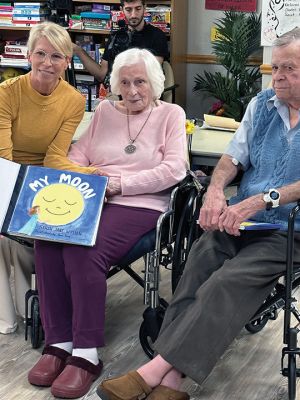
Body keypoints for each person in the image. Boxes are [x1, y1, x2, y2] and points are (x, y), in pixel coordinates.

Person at [96, 27, 300, 400]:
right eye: (275, 67)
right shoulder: (262, 105)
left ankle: (154, 371)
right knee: (199, 263)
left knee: (228, 280)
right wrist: (216, 191)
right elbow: (231, 158)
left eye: (289, 68)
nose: (277, 76)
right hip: (242, 220)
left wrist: (260, 201)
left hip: (290, 229)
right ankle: (172, 384)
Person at [27, 47, 188, 399]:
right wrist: (89, 177)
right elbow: (76, 155)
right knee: (47, 236)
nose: (132, 91)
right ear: (114, 85)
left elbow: (175, 169)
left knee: (85, 248)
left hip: (142, 203)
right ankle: (59, 341)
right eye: (125, 82)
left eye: (140, 82)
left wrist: (120, 184)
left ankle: (86, 353)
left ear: (155, 83)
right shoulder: (103, 112)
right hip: (92, 197)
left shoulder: (171, 114)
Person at [0, 21, 88, 335]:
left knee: (27, 234)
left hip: (42, 177)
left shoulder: (74, 101)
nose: (47, 63)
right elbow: (4, 155)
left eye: (56, 56)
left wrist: (91, 174)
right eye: (40, 54)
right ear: (29, 55)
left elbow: (55, 157)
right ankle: (6, 318)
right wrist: (9, 202)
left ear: (68, 62)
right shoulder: (7, 92)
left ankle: (29, 311)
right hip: (4, 172)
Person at [72, 0, 168, 84]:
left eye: (138, 9)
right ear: (122, 9)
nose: (133, 15)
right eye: (128, 10)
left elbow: (150, 74)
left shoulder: (157, 35)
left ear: (144, 8)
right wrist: (79, 51)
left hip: (146, 93)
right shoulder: (116, 36)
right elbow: (101, 75)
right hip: (118, 94)